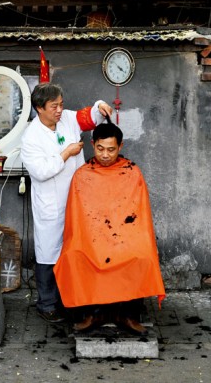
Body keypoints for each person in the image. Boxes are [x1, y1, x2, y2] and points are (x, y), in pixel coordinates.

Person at [54, 123, 165, 335]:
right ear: (93, 145)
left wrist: (122, 240)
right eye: (100, 149)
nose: (105, 155)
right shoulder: (82, 175)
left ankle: (127, 314)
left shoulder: (132, 172)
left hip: (126, 237)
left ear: (120, 146)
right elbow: (78, 221)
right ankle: (94, 313)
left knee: (140, 256)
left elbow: (139, 217)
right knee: (76, 255)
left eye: (111, 149)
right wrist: (93, 241)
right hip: (91, 239)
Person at [20, 83, 113, 323]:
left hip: (77, 199)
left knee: (75, 251)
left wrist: (100, 106)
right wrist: (66, 154)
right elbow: (41, 171)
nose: (60, 110)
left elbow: (88, 117)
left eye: (61, 104)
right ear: (40, 108)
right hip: (50, 204)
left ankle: (71, 300)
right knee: (49, 254)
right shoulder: (31, 137)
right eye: (54, 106)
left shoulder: (68, 119)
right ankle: (47, 303)